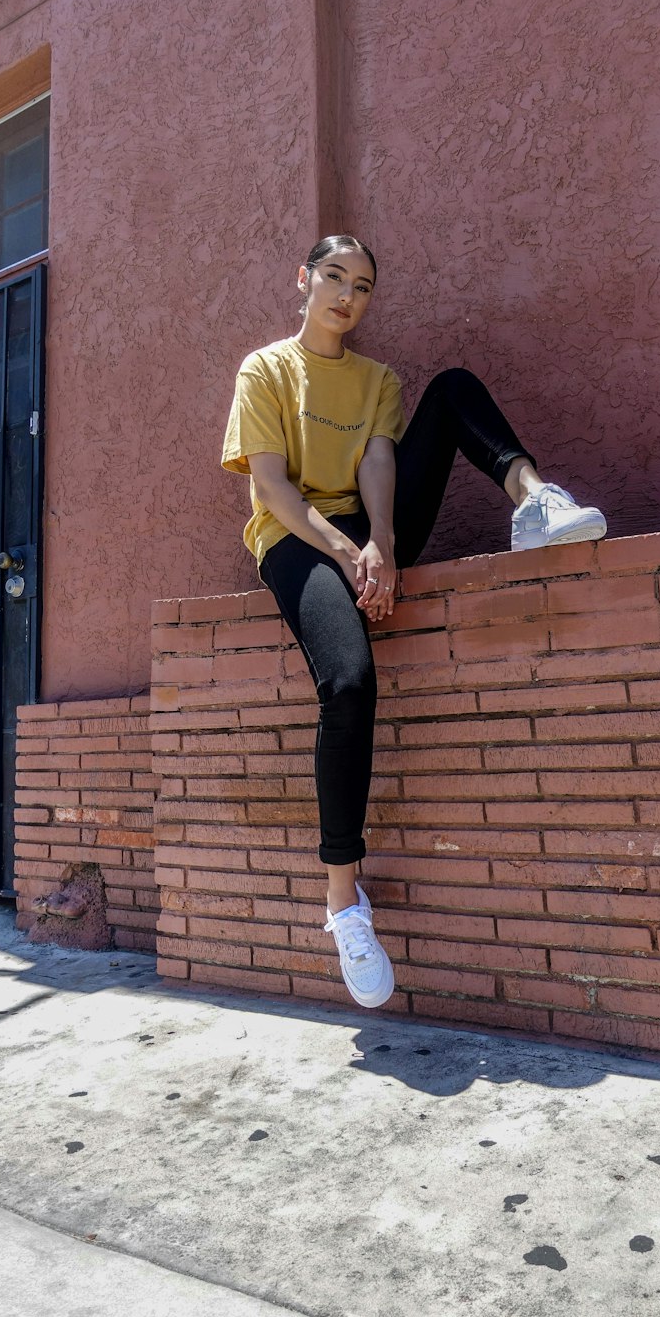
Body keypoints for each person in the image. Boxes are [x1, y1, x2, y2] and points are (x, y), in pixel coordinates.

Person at [222, 235, 607, 1008]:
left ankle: (533, 499)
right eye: (333, 277)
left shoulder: (377, 381)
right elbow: (271, 490)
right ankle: (343, 905)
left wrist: (385, 547)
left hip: (371, 529)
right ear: (303, 279)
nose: (347, 296)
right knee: (351, 683)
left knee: (455, 386)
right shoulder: (266, 369)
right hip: (295, 539)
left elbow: (378, 465)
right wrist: (347, 551)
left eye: (362, 286)